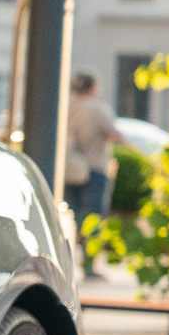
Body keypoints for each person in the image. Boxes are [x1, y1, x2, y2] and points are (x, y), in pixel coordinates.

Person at [64, 71, 118, 229]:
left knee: (69, 217)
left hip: (68, 167)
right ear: (93, 88)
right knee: (91, 221)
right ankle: (88, 253)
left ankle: (71, 251)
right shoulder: (98, 108)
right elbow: (114, 134)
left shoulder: (65, 105)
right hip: (94, 168)